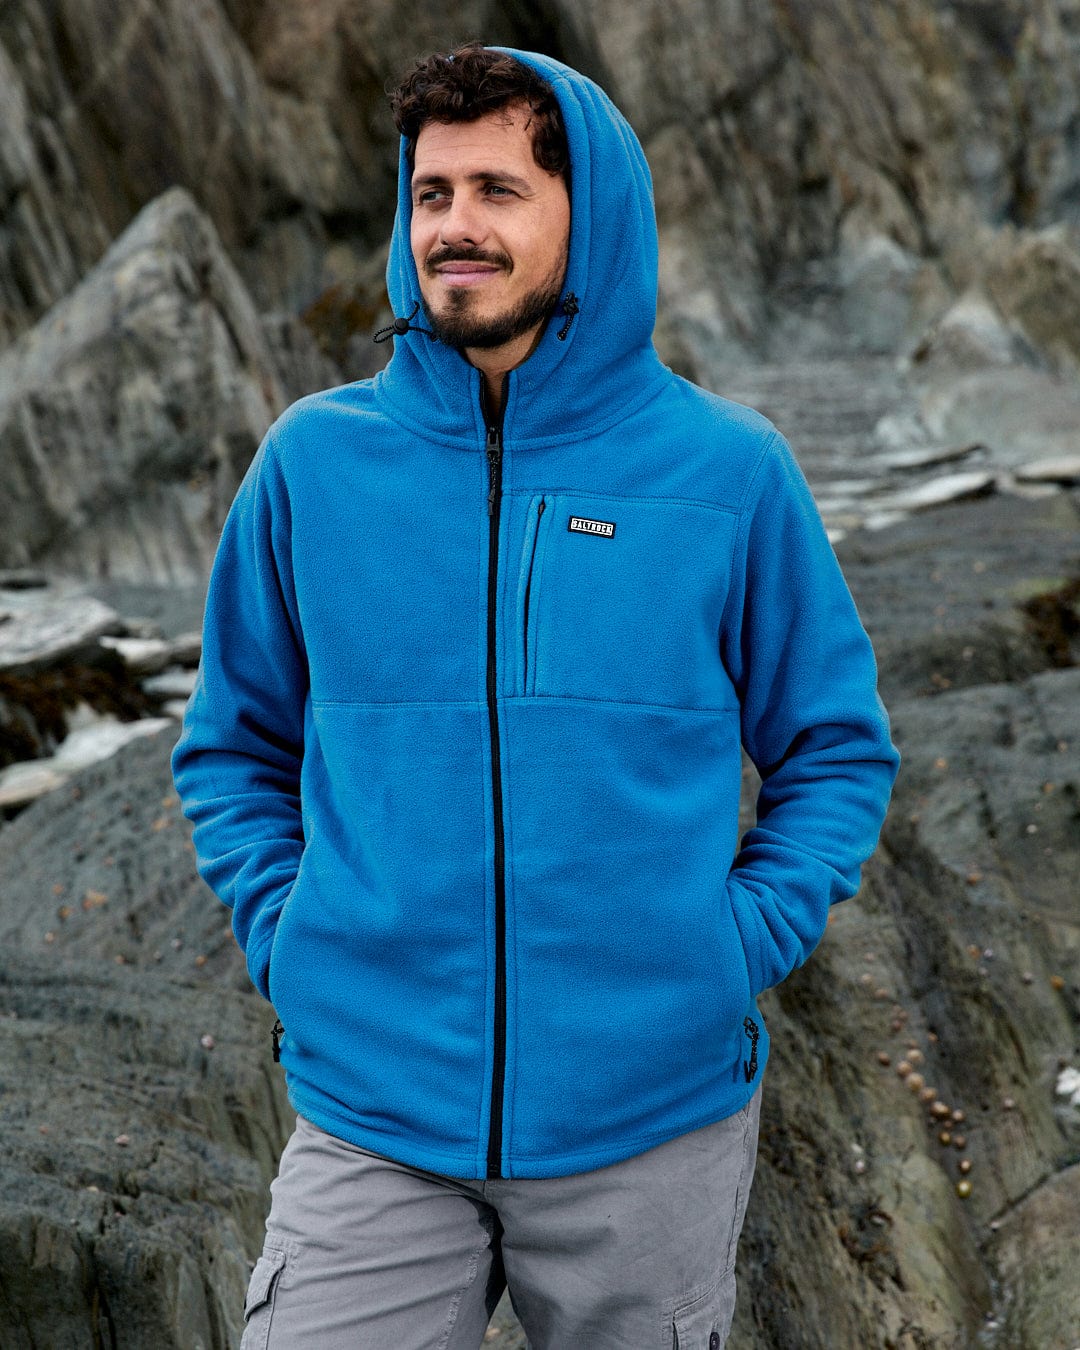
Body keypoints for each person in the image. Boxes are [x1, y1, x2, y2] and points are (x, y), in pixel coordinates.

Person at [172, 43, 899, 1349]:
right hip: (376, 1113)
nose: (457, 226)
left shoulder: (728, 473)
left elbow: (836, 750)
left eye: (498, 190)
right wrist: (292, 938)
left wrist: (724, 950)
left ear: (587, 211)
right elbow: (232, 746)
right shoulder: (312, 466)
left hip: (648, 1122)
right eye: (433, 192)